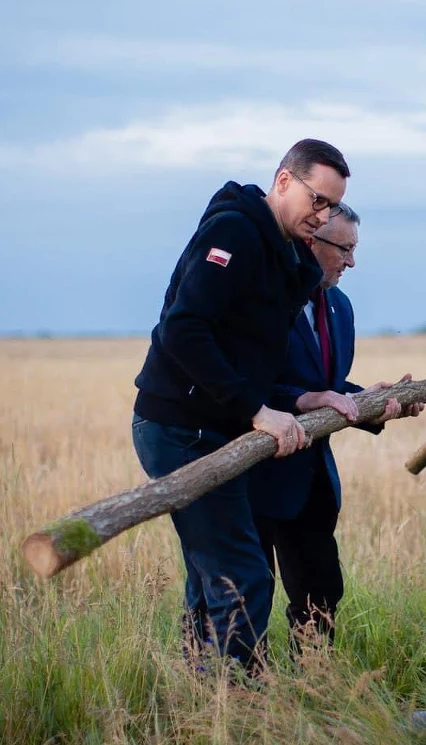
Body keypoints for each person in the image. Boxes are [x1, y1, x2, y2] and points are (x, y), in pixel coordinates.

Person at [130, 139, 362, 676]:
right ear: (283, 181)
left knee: (214, 572)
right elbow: (183, 330)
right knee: (243, 573)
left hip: (219, 426)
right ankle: (238, 705)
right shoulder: (233, 231)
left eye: (331, 205)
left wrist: (314, 399)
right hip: (179, 426)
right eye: (317, 200)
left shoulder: (281, 251)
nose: (322, 215)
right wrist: (258, 412)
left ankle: (200, 691)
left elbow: (260, 360)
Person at [249, 203, 424, 657]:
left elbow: (325, 388)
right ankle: (239, 698)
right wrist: (300, 401)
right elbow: (244, 381)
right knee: (245, 595)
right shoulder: (264, 298)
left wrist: (371, 401)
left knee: (321, 591)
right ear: (311, 241)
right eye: (344, 249)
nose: (351, 262)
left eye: (354, 250)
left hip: (311, 479)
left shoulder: (340, 307)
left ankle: (313, 690)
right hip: (249, 475)